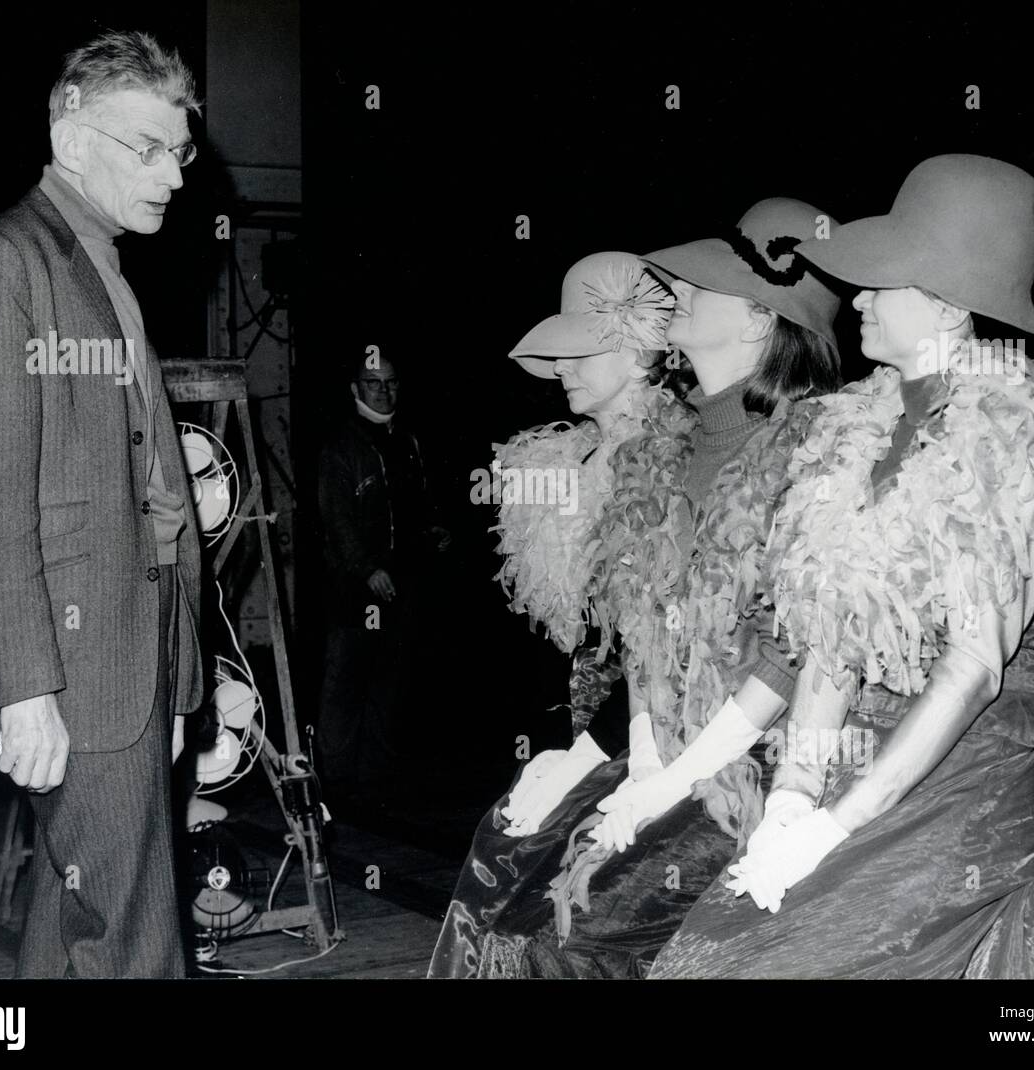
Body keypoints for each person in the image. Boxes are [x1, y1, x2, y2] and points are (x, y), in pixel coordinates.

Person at [653, 155, 1034, 978]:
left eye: (883, 281)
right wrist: (792, 792)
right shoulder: (855, 422)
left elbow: (971, 669)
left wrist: (831, 826)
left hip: (963, 781)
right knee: (704, 956)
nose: (856, 295)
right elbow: (830, 635)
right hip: (855, 759)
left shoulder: (1017, 433)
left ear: (952, 306)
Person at [431, 201, 843, 978]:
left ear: (760, 320)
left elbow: (793, 657)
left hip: (756, 762)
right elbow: (643, 638)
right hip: (664, 747)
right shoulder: (661, 449)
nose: (679, 286)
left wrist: (654, 783)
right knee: (508, 901)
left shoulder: (815, 447)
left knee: (556, 933)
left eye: (707, 281)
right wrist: (644, 770)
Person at [0, 30, 204, 978]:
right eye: (148, 149)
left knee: (80, 908)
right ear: (74, 136)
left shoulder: (98, 262)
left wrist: (176, 664)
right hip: (72, 663)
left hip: (128, 647)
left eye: (182, 150)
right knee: (132, 938)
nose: (173, 174)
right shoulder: (8, 260)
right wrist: (25, 689)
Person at [317, 352, 450, 801]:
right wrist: (367, 569)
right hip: (356, 589)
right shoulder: (341, 445)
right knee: (345, 682)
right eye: (373, 383)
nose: (384, 391)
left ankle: (374, 785)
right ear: (355, 389)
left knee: (389, 682)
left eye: (391, 382)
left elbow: (416, 504)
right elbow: (337, 520)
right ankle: (333, 787)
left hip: (402, 585)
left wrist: (435, 531)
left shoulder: (407, 440)